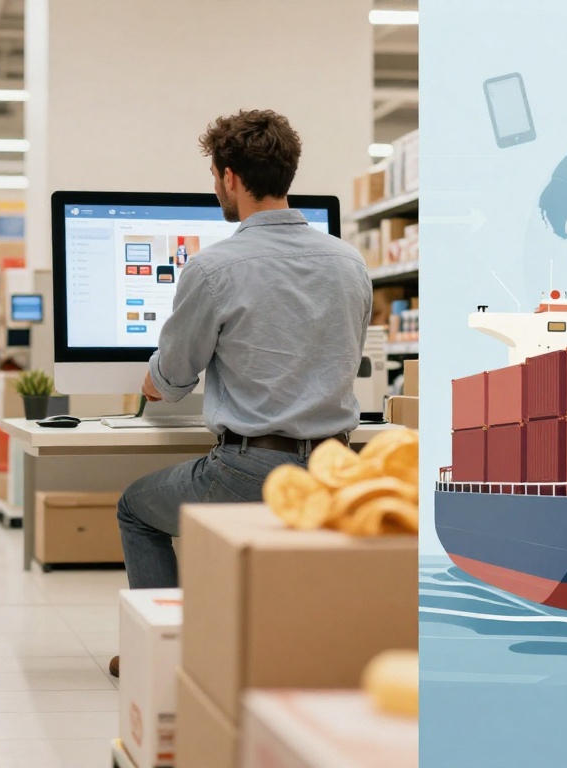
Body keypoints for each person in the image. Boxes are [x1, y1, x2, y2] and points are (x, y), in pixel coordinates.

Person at [111, 110, 372, 675]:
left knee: (135, 506)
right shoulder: (350, 262)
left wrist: (153, 379)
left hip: (250, 473)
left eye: (213, 174)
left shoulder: (213, 268)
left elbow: (173, 380)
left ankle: (167, 652)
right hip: (336, 468)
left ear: (230, 177)